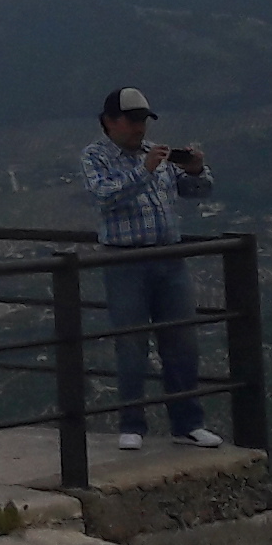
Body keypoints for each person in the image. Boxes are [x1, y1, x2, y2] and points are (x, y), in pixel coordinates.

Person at [78, 85, 220, 451]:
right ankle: (132, 424)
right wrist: (144, 171)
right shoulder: (96, 156)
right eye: (132, 120)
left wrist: (196, 169)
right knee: (131, 344)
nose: (140, 128)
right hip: (125, 260)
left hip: (169, 258)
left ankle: (187, 423)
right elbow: (105, 197)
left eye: (143, 120)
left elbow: (197, 192)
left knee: (182, 342)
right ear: (110, 122)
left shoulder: (155, 155)